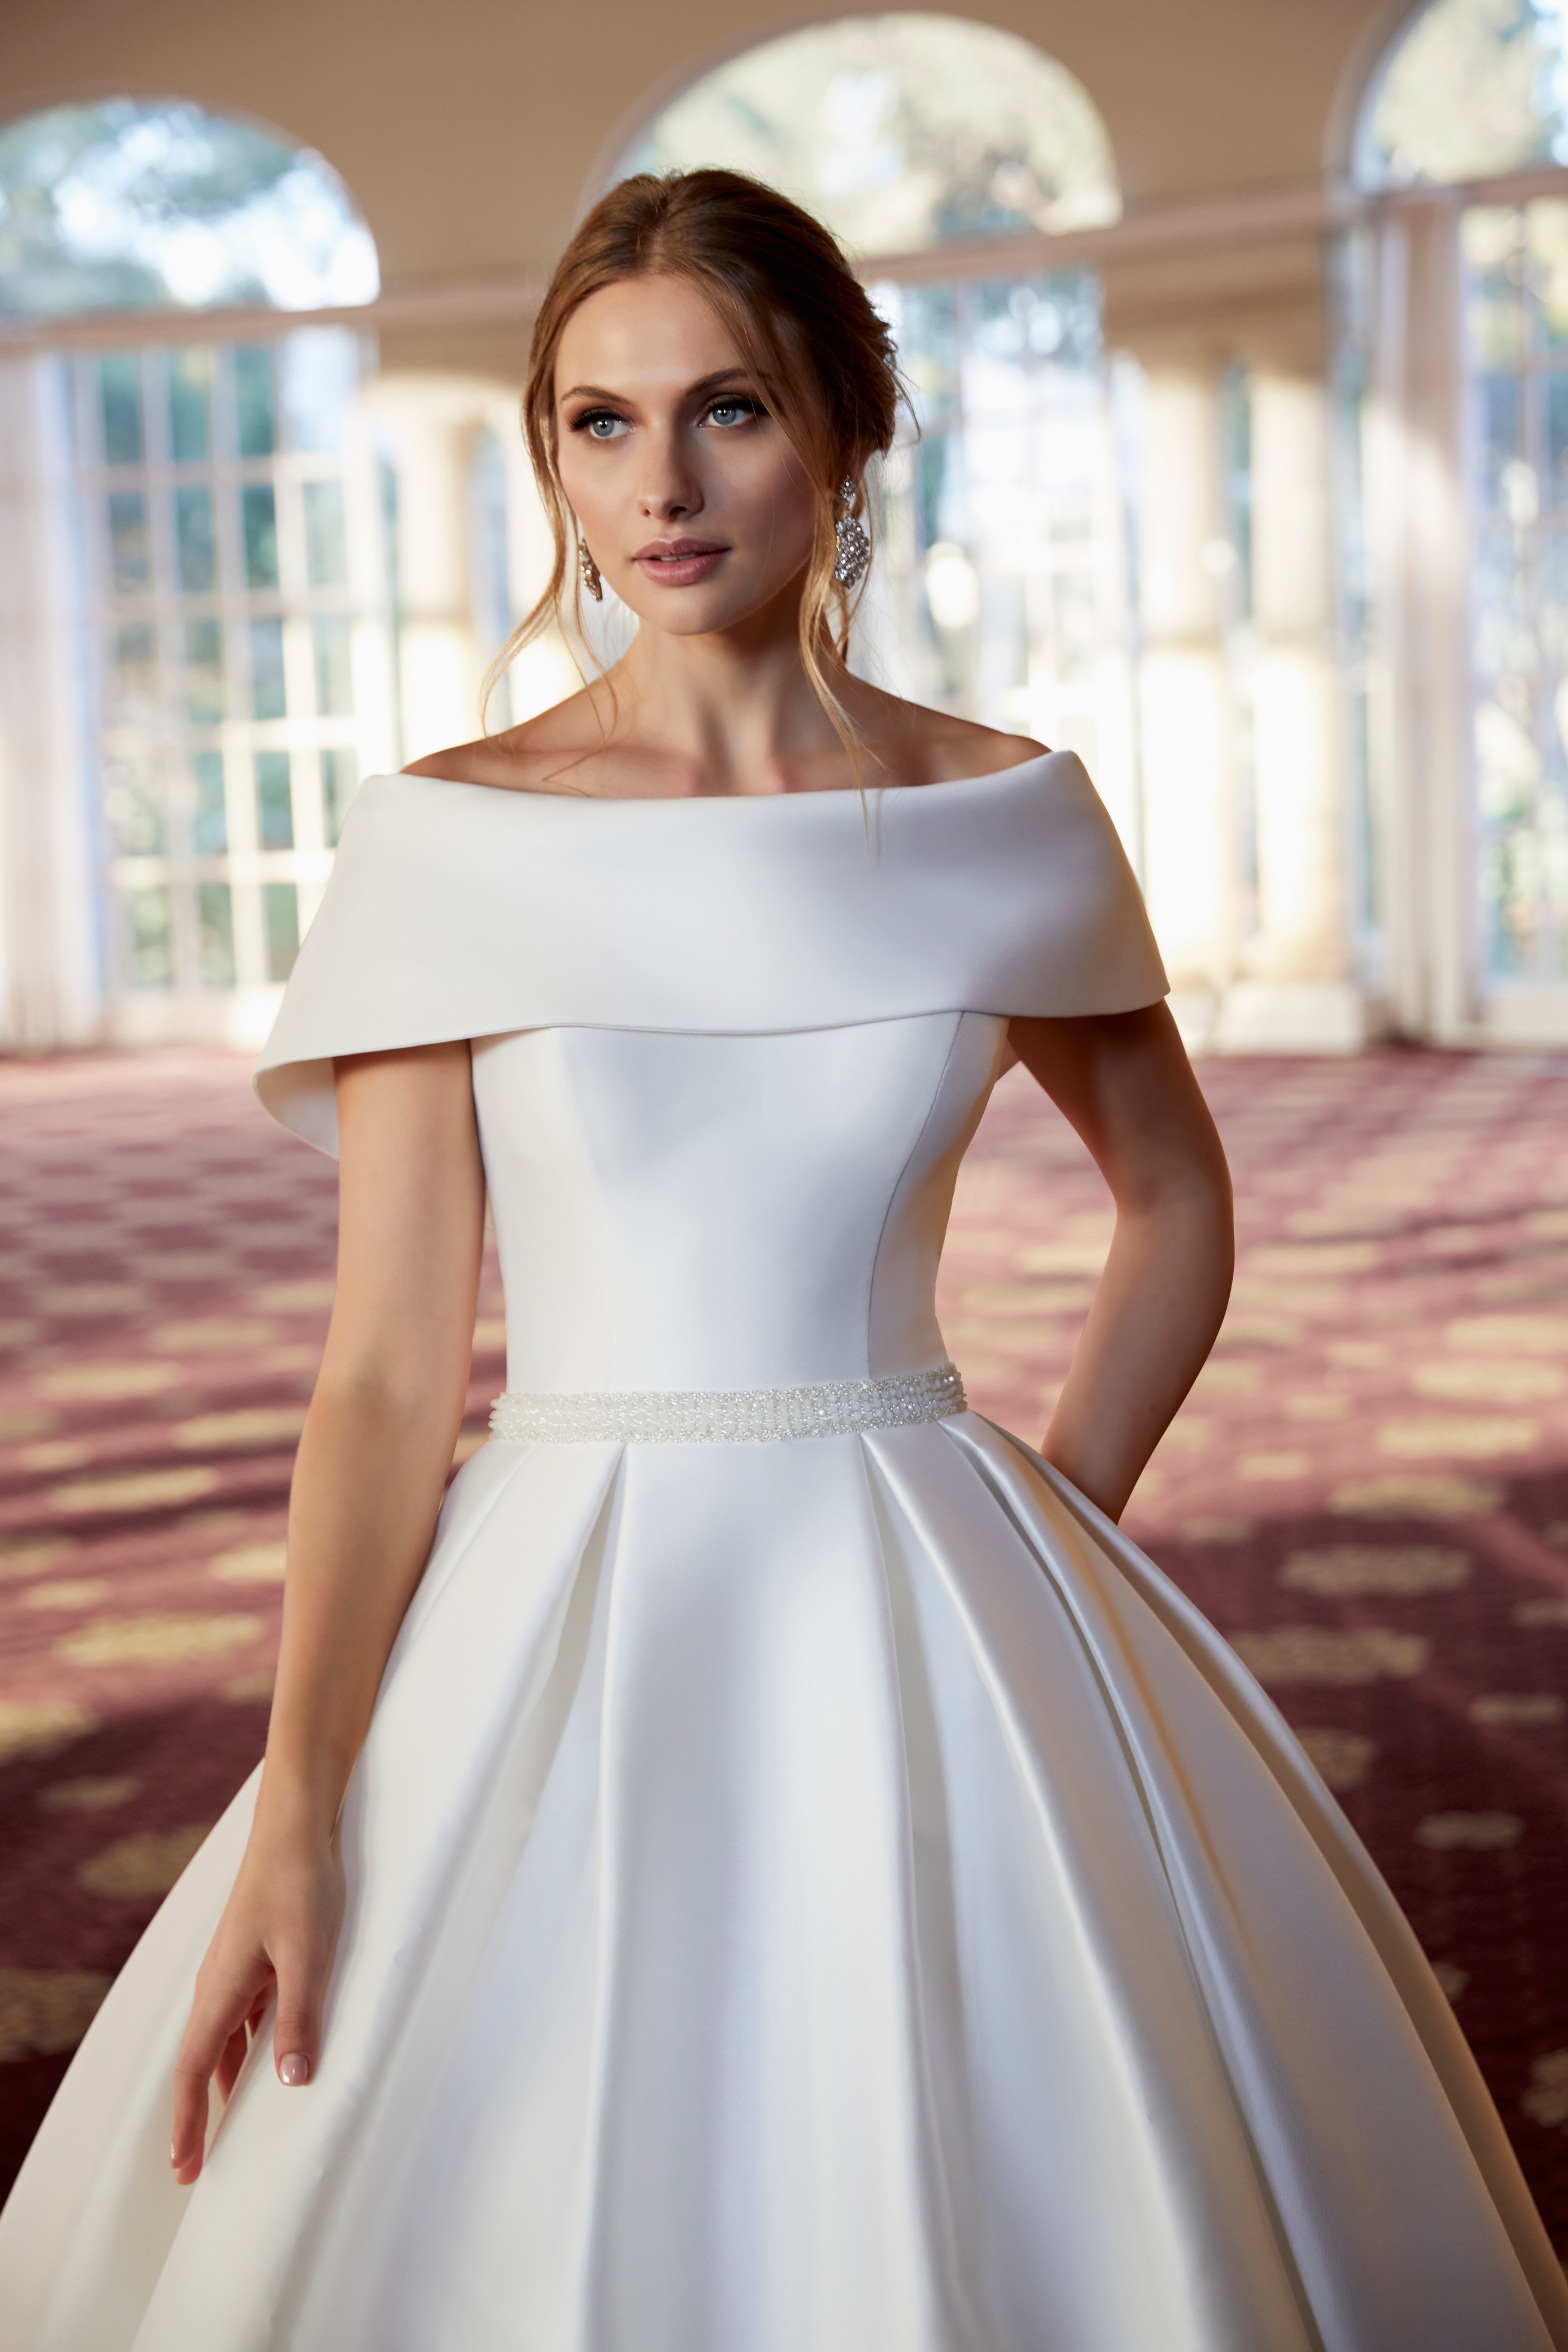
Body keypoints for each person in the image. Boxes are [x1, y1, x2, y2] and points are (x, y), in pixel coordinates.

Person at [1, 167, 1564, 2352]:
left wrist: (1050, 1542)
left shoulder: (1002, 812)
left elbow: (1176, 1201)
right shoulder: (450, 842)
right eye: (596, 423)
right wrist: (300, 1802)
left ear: (840, 423)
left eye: (724, 409)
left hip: (920, 1539)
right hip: (541, 1578)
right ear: (548, 452)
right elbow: (378, 1377)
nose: (658, 485)